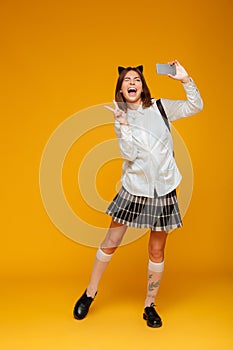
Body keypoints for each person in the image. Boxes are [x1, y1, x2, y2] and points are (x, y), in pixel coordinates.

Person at [73, 60, 203, 328]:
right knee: (111, 240)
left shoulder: (160, 107)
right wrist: (122, 124)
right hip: (134, 188)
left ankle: (149, 305)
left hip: (164, 188)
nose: (132, 83)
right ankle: (89, 293)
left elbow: (195, 106)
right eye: (127, 81)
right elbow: (130, 154)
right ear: (120, 89)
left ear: (143, 86)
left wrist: (185, 79)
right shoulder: (122, 116)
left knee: (157, 250)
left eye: (136, 80)